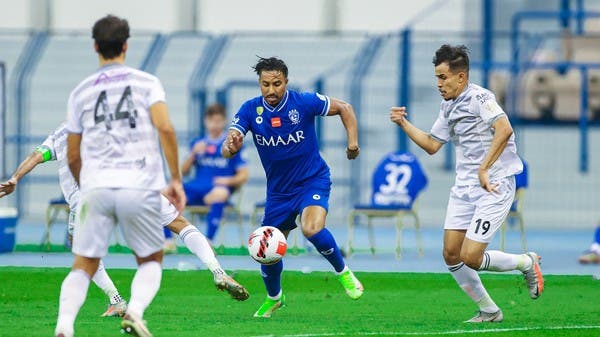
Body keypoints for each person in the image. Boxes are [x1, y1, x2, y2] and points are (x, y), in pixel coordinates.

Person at [0, 124, 249, 312]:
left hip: (90, 198)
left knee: (83, 253)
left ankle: (117, 301)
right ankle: (218, 271)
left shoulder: (64, 132)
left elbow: (37, 155)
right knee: (180, 224)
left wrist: (15, 178)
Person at [389, 44, 544, 323]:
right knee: (451, 254)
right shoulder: (448, 105)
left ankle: (525, 262)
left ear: (461, 77)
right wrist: (404, 124)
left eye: (443, 77)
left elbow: (505, 129)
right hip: (464, 187)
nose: (438, 83)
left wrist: (484, 169)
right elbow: (433, 145)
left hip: (494, 185)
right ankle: (489, 310)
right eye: (436, 77)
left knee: (471, 256)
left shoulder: (481, 98)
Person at [53, 15, 184, 337]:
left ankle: (64, 327)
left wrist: (87, 188)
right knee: (151, 258)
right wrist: (176, 179)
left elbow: (72, 153)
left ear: (95, 46)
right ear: (126, 45)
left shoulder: (80, 92)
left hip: (95, 185)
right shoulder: (146, 82)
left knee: (83, 263)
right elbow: (165, 127)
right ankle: (135, 312)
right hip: (138, 185)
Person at [223, 56, 363, 318]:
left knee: (312, 228)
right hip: (278, 192)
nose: (271, 90)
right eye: (266, 84)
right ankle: (275, 298)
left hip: (312, 180)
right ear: (259, 83)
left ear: (286, 82)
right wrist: (229, 146)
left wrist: (352, 143)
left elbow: (345, 108)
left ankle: (343, 273)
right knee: (266, 250)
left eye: (277, 83)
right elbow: (229, 143)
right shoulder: (250, 110)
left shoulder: (304, 102)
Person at [178, 103, 249, 242]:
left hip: (218, 190)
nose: (215, 125)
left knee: (219, 193)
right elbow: (182, 173)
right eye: (211, 121)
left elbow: (243, 175)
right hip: (196, 188)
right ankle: (168, 242)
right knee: (168, 194)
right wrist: (193, 154)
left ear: (224, 122)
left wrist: (227, 181)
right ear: (206, 121)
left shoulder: (232, 144)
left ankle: (208, 241)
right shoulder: (197, 143)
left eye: (218, 121)